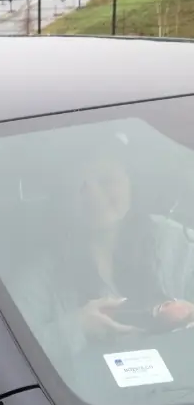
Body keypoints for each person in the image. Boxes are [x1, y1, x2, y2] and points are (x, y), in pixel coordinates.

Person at [12, 148, 194, 372]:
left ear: (132, 182)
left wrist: (188, 315)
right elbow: (11, 352)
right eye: (80, 186)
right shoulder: (42, 273)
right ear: (64, 197)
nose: (94, 195)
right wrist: (78, 327)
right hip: (78, 393)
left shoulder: (176, 243)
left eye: (106, 181)